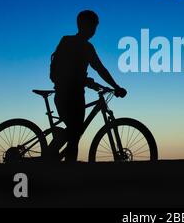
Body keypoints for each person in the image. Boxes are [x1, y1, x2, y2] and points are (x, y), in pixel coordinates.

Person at [50, 10, 127, 162]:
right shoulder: (79, 45)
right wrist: (115, 86)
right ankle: (58, 161)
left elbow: (99, 68)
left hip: (73, 95)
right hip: (68, 95)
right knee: (75, 132)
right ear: (84, 25)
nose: (94, 30)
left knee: (75, 133)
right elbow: (97, 69)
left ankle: (58, 160)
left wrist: (89, 82)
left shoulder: (74, 43)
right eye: (93, 26)